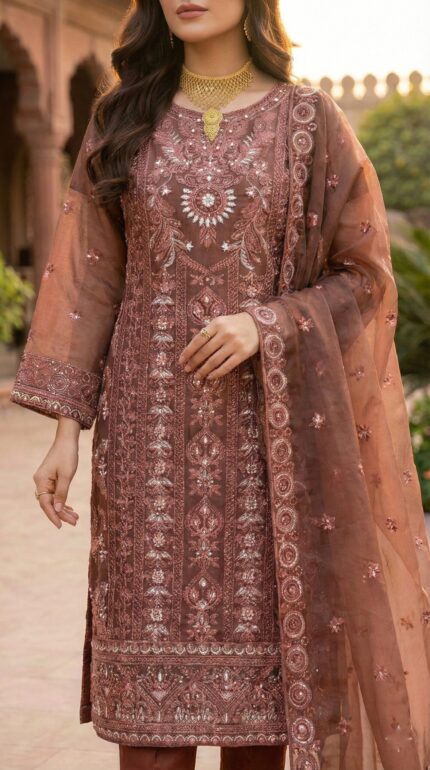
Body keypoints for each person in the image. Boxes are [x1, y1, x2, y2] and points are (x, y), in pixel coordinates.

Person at [10, 1, 430, 769]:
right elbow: (90, 280)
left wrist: (267, 324)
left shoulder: (309, 122)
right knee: (148, 731)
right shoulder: (122, 118)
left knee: (258, 731)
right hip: (146, 446)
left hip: (271, 454)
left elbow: (365, 277)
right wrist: (65, 430)